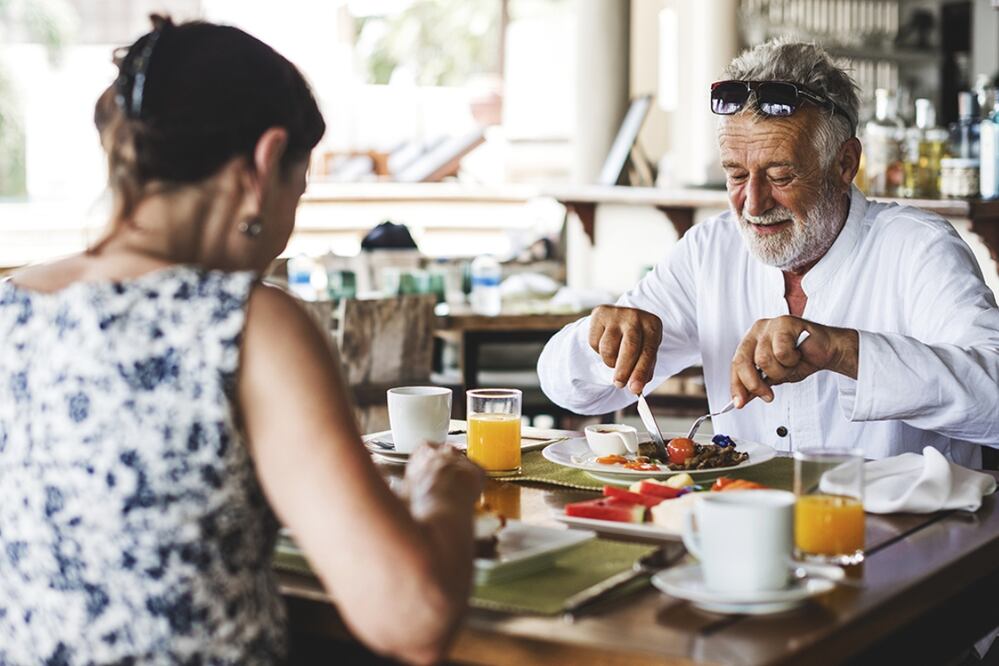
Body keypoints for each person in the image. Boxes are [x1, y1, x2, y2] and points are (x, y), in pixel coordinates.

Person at [0, 16, 482, 665]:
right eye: (299, 187)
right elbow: (411, 618)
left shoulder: (12, 304)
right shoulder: (245, 324)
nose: (288, 222)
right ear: (263, 162)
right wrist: (443, 493)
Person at [539, 39, 999, 467]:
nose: (753, 204)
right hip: (748, 525)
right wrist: (600, 339)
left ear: (844, 165)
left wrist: (842, 351)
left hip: (906, 540)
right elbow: (568, 390)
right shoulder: (710, 250)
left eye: (780, 176)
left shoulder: (917, 248)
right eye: (736, 176)